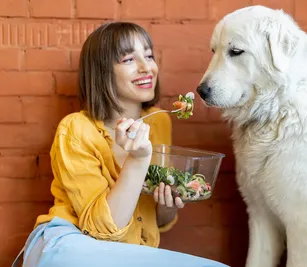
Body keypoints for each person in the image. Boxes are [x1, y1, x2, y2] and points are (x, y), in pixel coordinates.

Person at [12, 21, 229, 267]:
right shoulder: (75, 129)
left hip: (127, 252)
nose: (146, 67)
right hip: (70, 244)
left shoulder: (159, 122)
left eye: (149, 55)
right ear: (102, 71)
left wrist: (168, 203)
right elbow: (99, 232)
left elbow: (153, 220)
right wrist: (137, 160)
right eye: (128, 60)